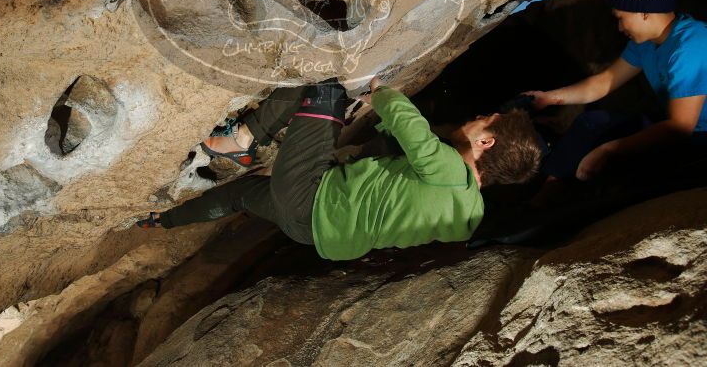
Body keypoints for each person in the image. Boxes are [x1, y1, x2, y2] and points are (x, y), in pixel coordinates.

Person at [137, 76, 543, 261]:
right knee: (239, 195)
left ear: (485, 142)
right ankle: (159, 219)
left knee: (323, 89)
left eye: (485, 119)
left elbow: (412, 131)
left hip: (310, 197)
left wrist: (380, 91)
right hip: (314, 236)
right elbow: (395, 189)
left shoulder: (451, 171)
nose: (475, 117)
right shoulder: (467, 215)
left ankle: (240, 140)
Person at [525, 0, 707, 181]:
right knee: (591, 123)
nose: (620, 27)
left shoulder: (689, 48)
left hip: (699, 136)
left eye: (621, 18)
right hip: (680, 128)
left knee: (623, 162)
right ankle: (548, 191)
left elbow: (680, 129)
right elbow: (603, 83)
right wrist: (549, 98)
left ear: (645, 13)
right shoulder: (647, 43)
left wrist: (610, 149)